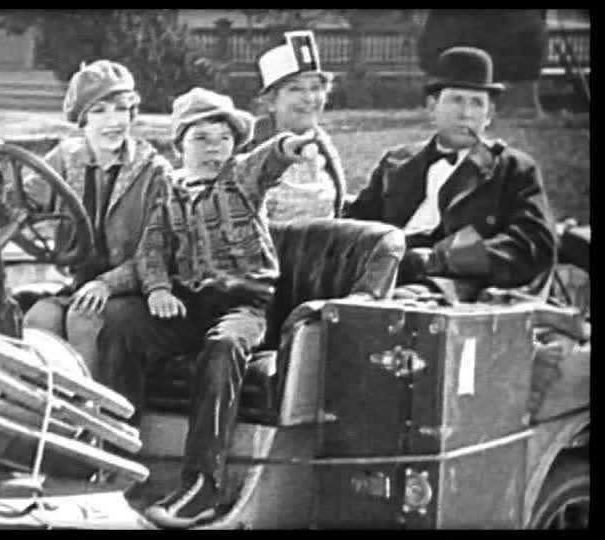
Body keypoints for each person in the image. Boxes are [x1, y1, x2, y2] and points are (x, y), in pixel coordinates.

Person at [106, 87, 320, 528]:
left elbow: (268, 159)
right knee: (121, 323)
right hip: (188, 305)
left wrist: (289, 147)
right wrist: (157, 290)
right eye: (201, 139)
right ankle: (114, 458)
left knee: (223, 347)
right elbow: (151, 249)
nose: (213, 149)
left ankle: (203, 483)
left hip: (244, 305)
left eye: (224, 139)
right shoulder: (169, 190)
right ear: (179, 146)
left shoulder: (240, 179)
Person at [344, 46, 557, 300]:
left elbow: (533, 245)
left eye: (477, 103)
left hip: (450, 288)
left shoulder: (512, 169)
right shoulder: (396, 163)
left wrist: (441, 259)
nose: (466, 114)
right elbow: (355, 224)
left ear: (489, 115)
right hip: (379, 273)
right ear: (432, 106)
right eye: (456, 100)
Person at [16, 60, 173, 378]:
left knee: (84, 320)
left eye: (122, 109)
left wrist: (107, 284)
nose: (113, 122)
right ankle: (44, 400)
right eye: (99, 111)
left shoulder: (154, 171)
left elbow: (160, 251)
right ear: (82, 119)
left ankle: (88, 405)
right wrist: (2, 195)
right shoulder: (65, 158)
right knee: (39, 318)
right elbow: (26, 201)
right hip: (79, 283)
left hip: (136, 287)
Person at [246, 30, 347, 223]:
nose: (309, 98)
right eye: (295, 89)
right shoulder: (250, 150)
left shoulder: (323, 146)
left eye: (316, 88)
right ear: (270, 102)